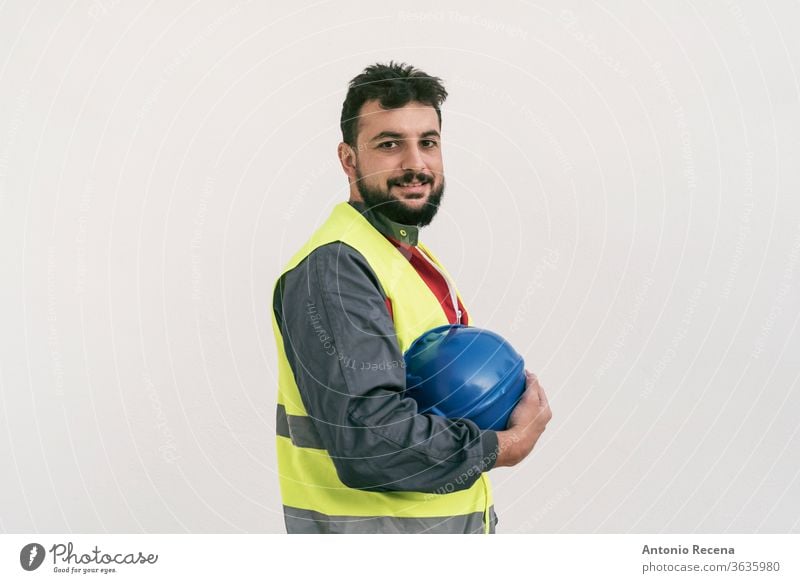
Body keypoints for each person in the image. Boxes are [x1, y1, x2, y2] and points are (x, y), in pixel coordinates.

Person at [271, 61, 552, 534]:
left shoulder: (405, 257)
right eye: (389, 144)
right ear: (347, 158)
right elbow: (371, 440)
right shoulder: (337, 267)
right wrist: (505, 446)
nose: (415, 164)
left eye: (428, 142)